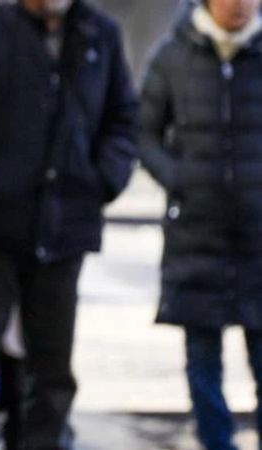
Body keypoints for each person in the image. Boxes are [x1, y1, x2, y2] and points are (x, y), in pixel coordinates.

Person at [0, 0, 138, 448]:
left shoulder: (101, 32)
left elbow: (124, 118)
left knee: (53, 375)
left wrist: (101, 180)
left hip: (65, 230)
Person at [140, 0, 262, 448]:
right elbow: (143, 131)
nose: (243, 4)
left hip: (258, 236)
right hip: (196, 232)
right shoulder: (174, 54)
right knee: (202, 358)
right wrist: (178, 179)